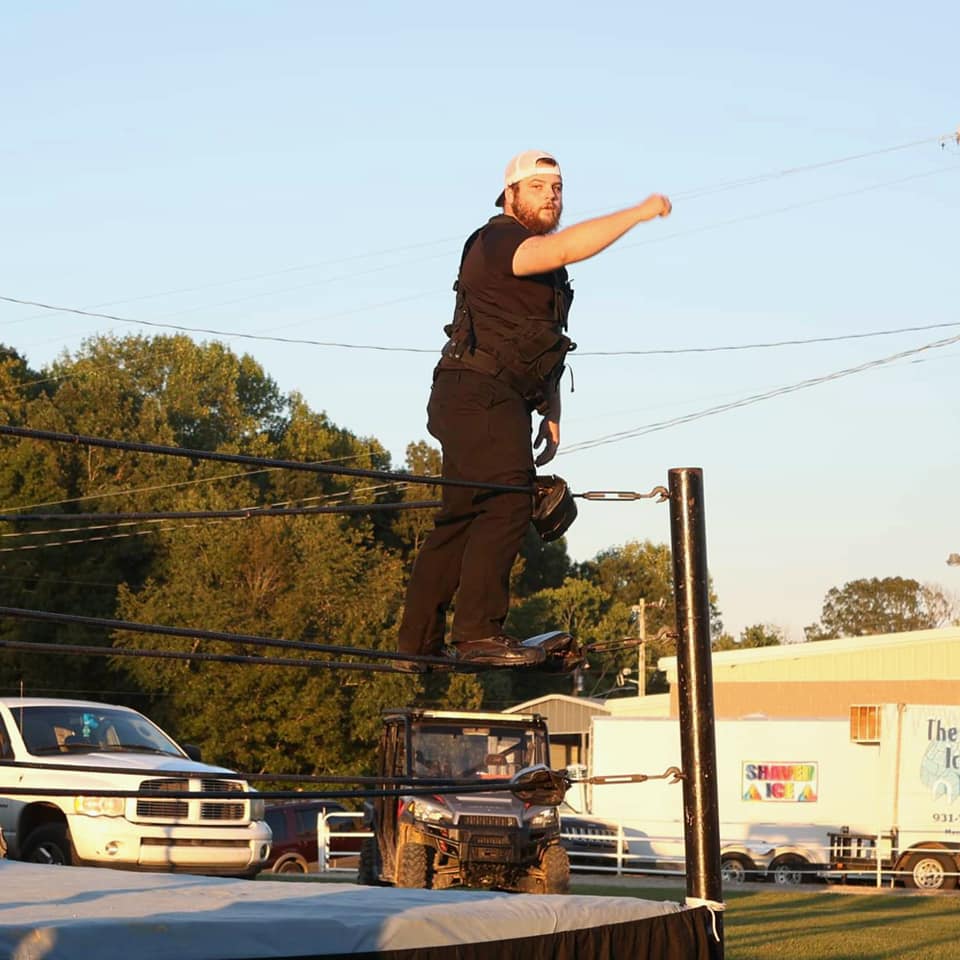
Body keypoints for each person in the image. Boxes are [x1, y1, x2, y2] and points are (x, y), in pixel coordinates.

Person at [397, 150, 671, 668]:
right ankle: (478, 632)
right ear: (511, 194)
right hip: (478, 393)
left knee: (461, 518)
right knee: (508, 501)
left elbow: (539, 339)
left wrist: (551, 407)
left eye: (558, 188)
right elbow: (564, 247)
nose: (551, 196)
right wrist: (637, 213)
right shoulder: (500, 240)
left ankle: (416, 643)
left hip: (486, 396)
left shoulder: (544, 270)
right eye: (539, 187)